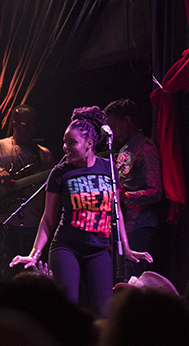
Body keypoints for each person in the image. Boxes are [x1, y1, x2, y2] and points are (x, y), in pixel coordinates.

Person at [9, 106, 151, 316]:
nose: (65, 147)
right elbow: (48, 219)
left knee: (104, 312)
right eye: (65, 142)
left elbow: (117, 211)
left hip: (99, 249)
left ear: (89, 144)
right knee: (66, 310)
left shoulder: (108, 168)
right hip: (67, 247)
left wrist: (127, 249)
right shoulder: (60, 173)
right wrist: (34, 253)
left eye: (72, 142)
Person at [0, 104, 54, 278]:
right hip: (5, 224)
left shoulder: (44, 155)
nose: (31, 129)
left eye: (33, 125)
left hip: (34, 226)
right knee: (5, 276)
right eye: (26, 125)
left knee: (33, 279)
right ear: (14, 124)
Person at [104, 98, 164, 279]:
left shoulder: (146, 149)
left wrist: (126, 197)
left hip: (139, 225)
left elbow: (156, 191)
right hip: (121, 227)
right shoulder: (124, 149)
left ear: (127, 121)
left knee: (133, 278)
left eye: (114, 126)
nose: (112, 133)